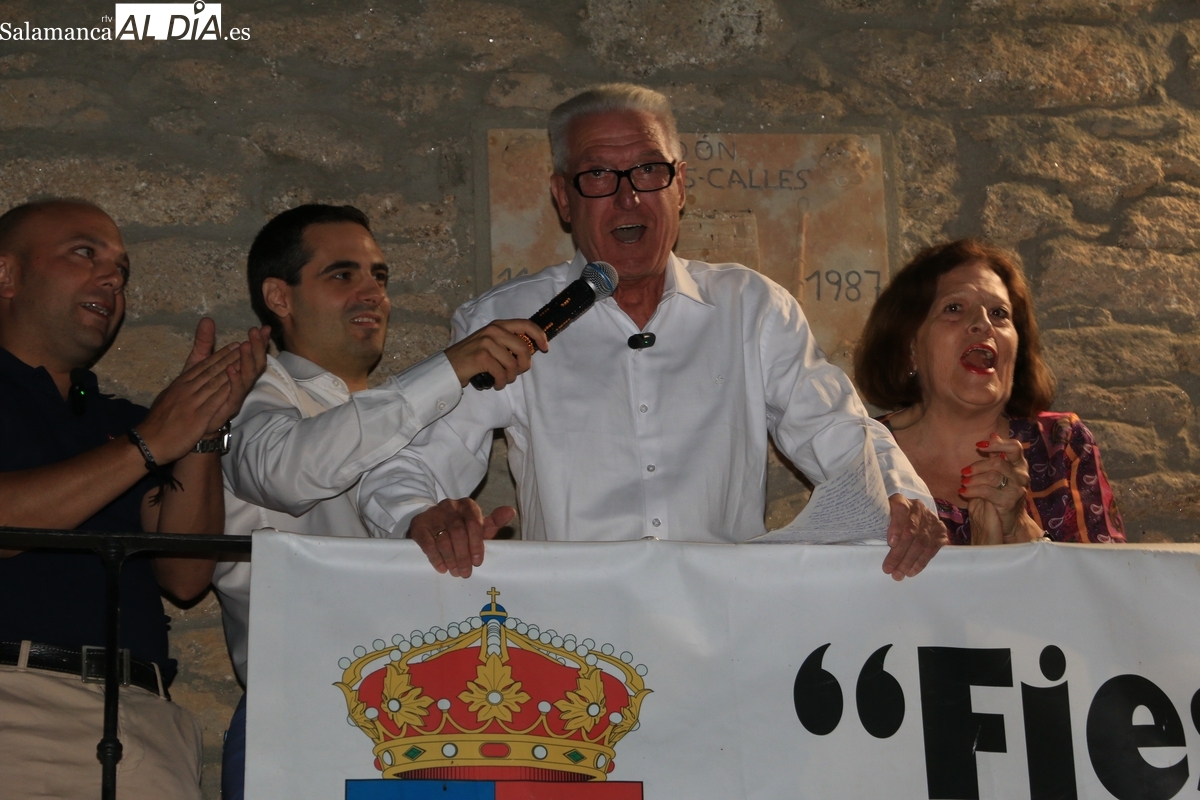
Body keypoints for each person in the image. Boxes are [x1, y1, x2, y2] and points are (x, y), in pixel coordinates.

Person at [358, 83, 946, 579]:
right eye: (597, 176)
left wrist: (903, 501)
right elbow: (409, 463)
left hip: (725, 624)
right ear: (563, 199)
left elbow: (843, 434)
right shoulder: (508, 322)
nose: (628, 196)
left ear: (681, 185)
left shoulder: (752, 308)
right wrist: (420, 514)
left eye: (648, 170)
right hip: (574, 637)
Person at [214, 203, 548, 800]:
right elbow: (286, 470)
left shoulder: (407, 427)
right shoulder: (249, 394)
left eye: (380, 277)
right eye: (343, 275)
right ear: (279, 297)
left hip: (422, 728)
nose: (371, 292)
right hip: (298, 723)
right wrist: (448, 370)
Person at [0, 198, 268, 799]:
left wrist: (201, 434)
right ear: (6, 274)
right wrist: (150, 443)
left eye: (122, 269)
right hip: (15, 709)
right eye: (84, 253)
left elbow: (186, 571)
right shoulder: (138, 434)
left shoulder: (119, 420)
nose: (112, 278)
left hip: (143, 720)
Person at [853, 238, 1126, 545]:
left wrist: (1019, 527)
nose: (983, 324)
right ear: (910, 348)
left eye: (999, 314)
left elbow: (1107, 583)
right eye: (954, 308)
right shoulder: (861, 455)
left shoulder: (1061, 445)